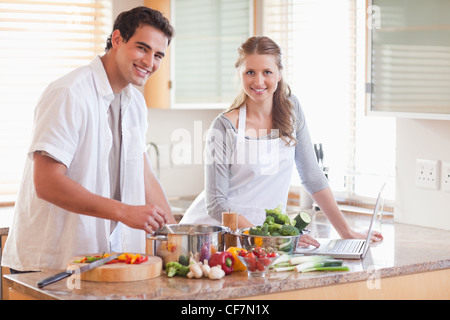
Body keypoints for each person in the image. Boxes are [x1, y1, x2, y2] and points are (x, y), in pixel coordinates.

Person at [1, 7, 176, 272]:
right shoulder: (69, 92)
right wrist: (124, 211)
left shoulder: (135, 103)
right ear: (117, 40)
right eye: (142, 48)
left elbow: (144, 175)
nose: (150, 62)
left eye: (158, 55)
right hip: (49, 263)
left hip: (100, 263)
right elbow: (47, 183)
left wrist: (178, 236)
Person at [180, 36, 383, 246]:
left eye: (267, 72)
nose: (258, 81)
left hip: (264, 241)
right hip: (218, 237)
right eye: (250, 72)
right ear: (240, 74)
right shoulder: (224, 127)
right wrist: (269, 236)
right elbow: (216, 205)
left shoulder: (291, 111)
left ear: (278, 74)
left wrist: (346, 232)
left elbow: (312, 176)